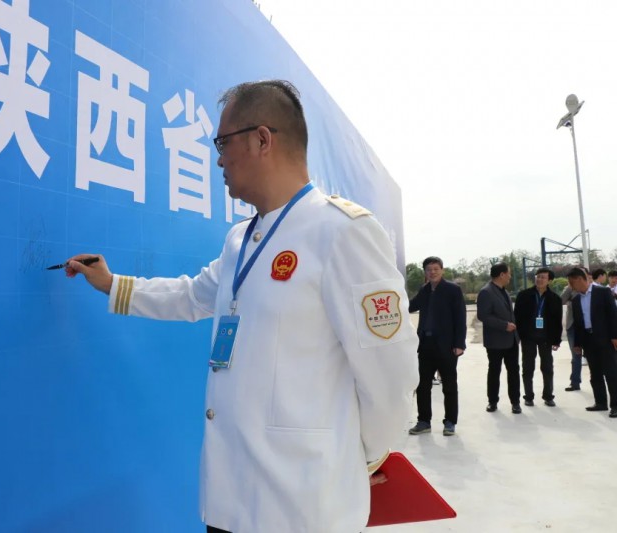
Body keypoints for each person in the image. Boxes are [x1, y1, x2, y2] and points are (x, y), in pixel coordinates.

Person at [65, 80, 418, 533]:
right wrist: (113, 285)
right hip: (231, 502)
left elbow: (389, 373)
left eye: (223, 143)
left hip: (302, 507)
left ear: (262, 139)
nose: (218, 159)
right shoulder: (241, 239)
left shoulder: (341, 231)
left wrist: (358, 458)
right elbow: (193, 295)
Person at [408, 256, 467, 436]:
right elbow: (410, 307)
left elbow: (460, 318)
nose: (432, 272)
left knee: (449, 385)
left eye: (435, 269)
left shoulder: (453, 290)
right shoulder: (424, 290)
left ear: (442, 270)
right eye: (429, 269)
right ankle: (424, 421)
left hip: (447, 346)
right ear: (425, 272)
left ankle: (450, 422)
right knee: (422, 385)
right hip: (426, 345)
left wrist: (459, 344)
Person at [568, 267, 617, 417]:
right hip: (588, 340)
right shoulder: (576, 300)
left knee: (611, 373)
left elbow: (613, 315)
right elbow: (578, 324)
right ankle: (600, 402)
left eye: (572, 282)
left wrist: (614, 336)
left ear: (580, 279)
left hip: (605, 339)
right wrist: (577, 344)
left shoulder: (602, 292)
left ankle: (615, 406)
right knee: (595, 373)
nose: (570, 286)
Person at [514, 267, 563, 407]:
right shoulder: (524, 295)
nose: (539, 279)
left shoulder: (555, 299)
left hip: (546, 338)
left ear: (549, 281)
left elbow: (557, 321)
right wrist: (518, 336)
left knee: (547, 368)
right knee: (527, 368)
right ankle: (528, 396)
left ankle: (548, 396)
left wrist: (557, 340)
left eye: (543, 277)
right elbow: (517, 316)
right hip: (528, 337)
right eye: (538, 276)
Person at [477, 262, 522, 414]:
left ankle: (515, 402)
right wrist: (504, 325)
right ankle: (492, 401)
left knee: (514, 372)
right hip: (495, 341)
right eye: (508, 273)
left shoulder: (504, 291)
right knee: (494, 371)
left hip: (512, 340)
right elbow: (483, 315)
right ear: (502, 274)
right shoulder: (486, 292)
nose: (510, 276)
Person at [561, 282, 583, 391]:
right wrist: (570, 287)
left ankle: (598, 381)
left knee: (593, 356)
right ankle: (575, 382)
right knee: (576, 356)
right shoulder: (569, 288)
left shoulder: (590, 289)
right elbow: (561, 301)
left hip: (587, 327)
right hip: (573, 327)